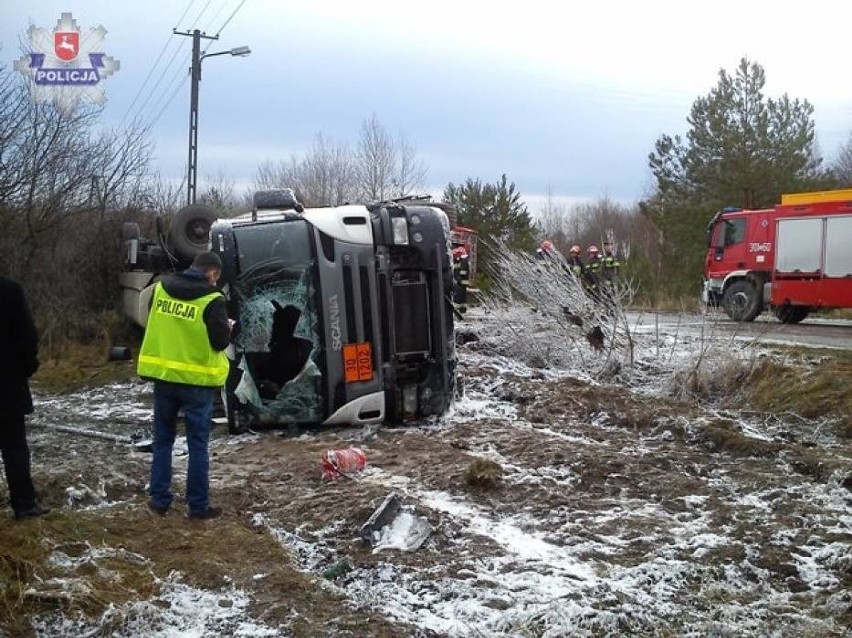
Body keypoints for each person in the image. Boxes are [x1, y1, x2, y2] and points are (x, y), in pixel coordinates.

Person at [137, 251, 231, 519]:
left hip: (165, 378)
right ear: (211, 273)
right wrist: (228, 328)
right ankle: (198, 506)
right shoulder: (213, 300)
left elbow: (155, 323)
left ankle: (159, 500)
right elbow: (220, 342)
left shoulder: (161, 289)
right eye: (215, 277)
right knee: (197, 445)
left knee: (163, 440)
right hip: (195, 383)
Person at [0, 276, 50, 520]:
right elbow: (27, 336)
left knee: (15, 446)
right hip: (7, 384)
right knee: (14, 447)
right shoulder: (9, 290)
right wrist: (26, 367)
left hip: (9, 381)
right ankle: (24, 504)